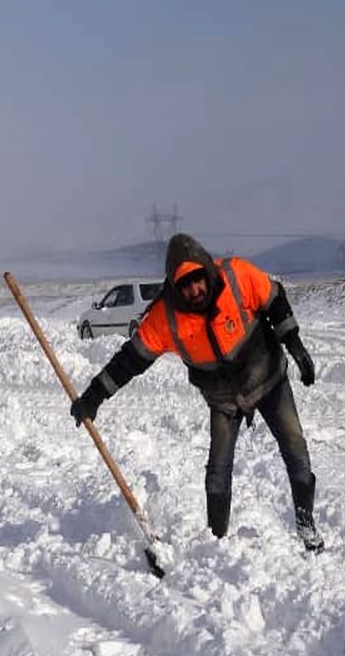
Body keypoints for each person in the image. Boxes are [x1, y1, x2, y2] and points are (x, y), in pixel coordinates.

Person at [70, 233, 324, 551]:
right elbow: (129, 361)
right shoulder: (166, 316)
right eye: (184, 285)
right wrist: (93, 397)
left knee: (295, 449)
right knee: (218, 470)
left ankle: (306, 525)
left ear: (207, 270)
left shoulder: (236, 275)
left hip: (269, 379)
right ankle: (216, 544)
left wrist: (296, 345)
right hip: (223, 399)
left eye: (197, 279)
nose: (194, 290)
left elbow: (274, 299)